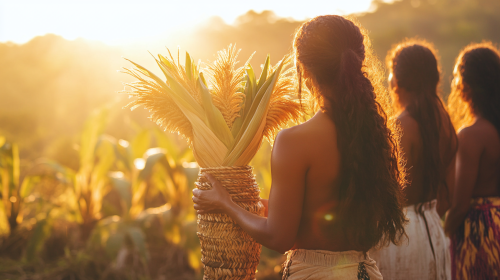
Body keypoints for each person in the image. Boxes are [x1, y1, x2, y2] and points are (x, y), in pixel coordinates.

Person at [192, 15, 407, 280]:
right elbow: (327, 209)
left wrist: (225, 204)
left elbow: (278, 237)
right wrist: (262, 206)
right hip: (364, 271)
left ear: (303, 69)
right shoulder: (374, 135)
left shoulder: (294, 141)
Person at [370, 40, 457, 280]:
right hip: (434, 230)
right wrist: (425, 219)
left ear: (397, 79)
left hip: (399, 237)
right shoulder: (446, 123)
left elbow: (390, 194)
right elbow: (447, 197)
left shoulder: (401, 125)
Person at [445, 42, 500, 280]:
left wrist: (442, 234)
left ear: (467, 85)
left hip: (479, 231)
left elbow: (459, 206)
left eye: (457, 76)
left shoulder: (470, 135)